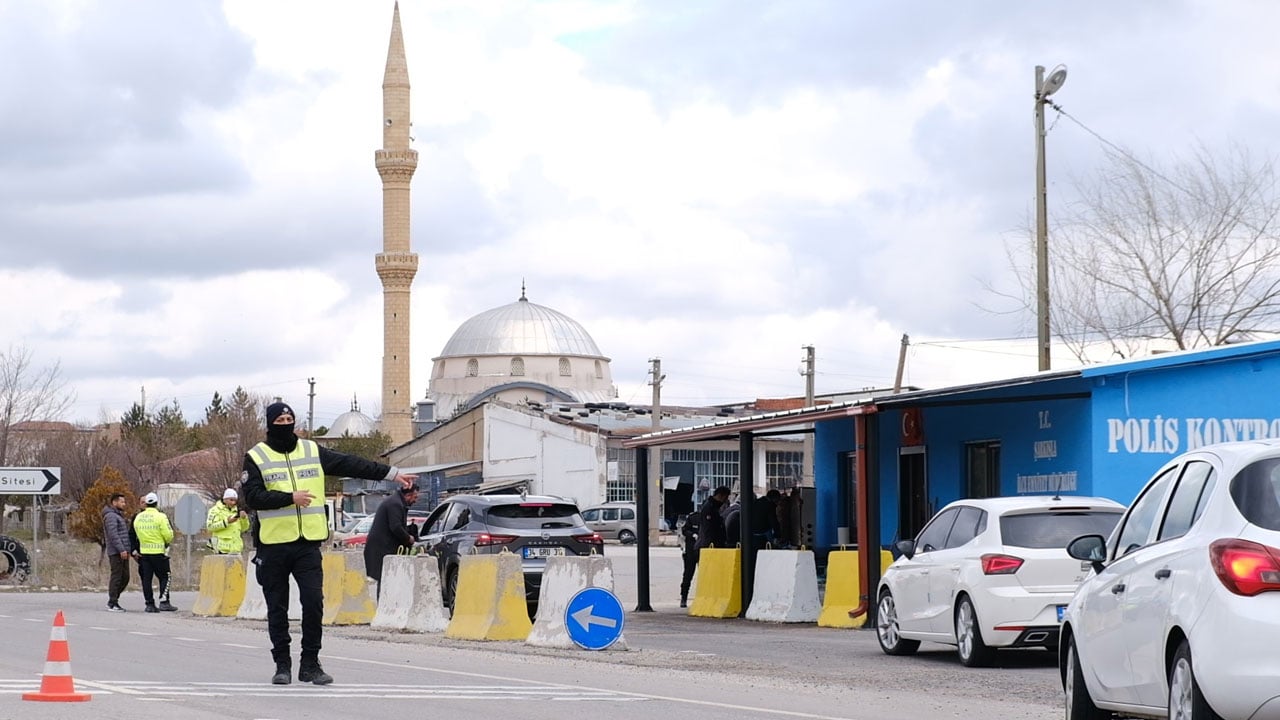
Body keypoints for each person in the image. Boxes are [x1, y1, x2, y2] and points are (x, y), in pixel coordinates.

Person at [242, 401, 416, 687]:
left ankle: (310, 664)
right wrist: (289, 498)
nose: (286, 423)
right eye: (280, 419)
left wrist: (391, 473)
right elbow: (253, 497)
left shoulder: (311, 450)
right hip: (273, 545)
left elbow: (351, 463)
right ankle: (282, 665)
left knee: (313, 604)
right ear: (271, 423)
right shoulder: (256, 456)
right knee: (277, 608)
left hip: (308, 544)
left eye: (289, 418)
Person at [363, 484, 420, 597]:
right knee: (385, 579)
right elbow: (396, 527)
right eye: (415, 497)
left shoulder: (396, 502)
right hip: (382, 548)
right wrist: (409, 538)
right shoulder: (395, 504)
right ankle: (384, 608)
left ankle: (387, 606)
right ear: (408, 495)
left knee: (387, 579)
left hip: (383, 547)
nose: (415, 500)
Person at [132, 492, 176, 613]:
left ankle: (149, 604)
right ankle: (164, 601)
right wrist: (166, 542)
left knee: (147, 579)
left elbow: (136, 532)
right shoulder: (161, 517)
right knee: (165, 576)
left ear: (146, 503)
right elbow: (168, 534)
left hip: (144, 553)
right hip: (158, 553)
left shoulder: (138, 517)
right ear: (156, 503)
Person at [102, 492, 132, 612]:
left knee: (125, 577)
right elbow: (113, 535)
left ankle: (113, 599)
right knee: (117, 576)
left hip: (123, 551)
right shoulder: (111, 516)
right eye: (122, 502)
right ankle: (112, 602)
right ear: (114, 502)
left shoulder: (118, 516)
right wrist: (121, 549)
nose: (124, 504)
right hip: (116, 552)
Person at [207, 487, 250, 554]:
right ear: (225, 499)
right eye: (231, 500)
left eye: (235, 500)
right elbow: (210, 527)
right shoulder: (215, 510)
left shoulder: (237, 511)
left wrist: (244, 519)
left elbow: (244, 529)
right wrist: (226, 522)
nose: (233, 502)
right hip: (221, 549)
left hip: (236, 550)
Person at [695, 486, 731, 550]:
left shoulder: (714, 507)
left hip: (714, 544)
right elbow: (709, 529)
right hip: (710, 545)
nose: (725, 501)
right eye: (725, 498)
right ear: (720, 496)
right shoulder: (710, 508)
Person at [678, 511, 700, 608]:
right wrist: (693, 535)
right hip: (691, 551)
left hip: (703, 551)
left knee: (705, 576)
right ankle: (684, 598)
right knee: (687, 575)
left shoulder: (709, 519)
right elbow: (684, 530)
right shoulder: (693, 517)